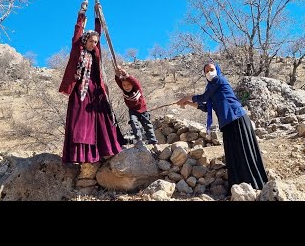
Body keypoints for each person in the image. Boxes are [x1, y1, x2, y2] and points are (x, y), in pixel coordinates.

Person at [176, 62, 268, 191]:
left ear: (217, 70)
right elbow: (206, 107)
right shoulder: (211, 88)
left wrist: (186, 97)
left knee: (243, 151)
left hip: (236, 118)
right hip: (227, 124)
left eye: (211, 69)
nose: (209, 73)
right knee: (234, 154)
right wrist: (188, 103)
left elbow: (203, 97)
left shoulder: (219, 80)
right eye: (206, 71)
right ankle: (239, 185)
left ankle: (255, 183)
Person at [59, 2, 123, 163]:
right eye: (91, 41)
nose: (93, 44)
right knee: (80, 122)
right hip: (80, 89)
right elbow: (77, 31)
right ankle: (80, 156)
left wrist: (97, 15)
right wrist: (82, 12)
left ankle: (107, 150)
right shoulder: (77, 48)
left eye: (95, 42)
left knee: (102, 117)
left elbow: (99, 33)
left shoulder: (96, 52)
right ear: (85, 40)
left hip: (95, 89)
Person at [114, 67, 158, 145]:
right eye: (124, 85)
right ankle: (139, 140)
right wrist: (117, 74)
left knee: (147, 125)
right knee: (134, 124)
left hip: (143, 110)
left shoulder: (137, 89)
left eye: (128, 84)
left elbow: (135, 82)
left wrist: (125, 74)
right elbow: (118, 81)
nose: (126, 87)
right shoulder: (124, 90)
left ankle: (153, 141)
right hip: (133, 111)